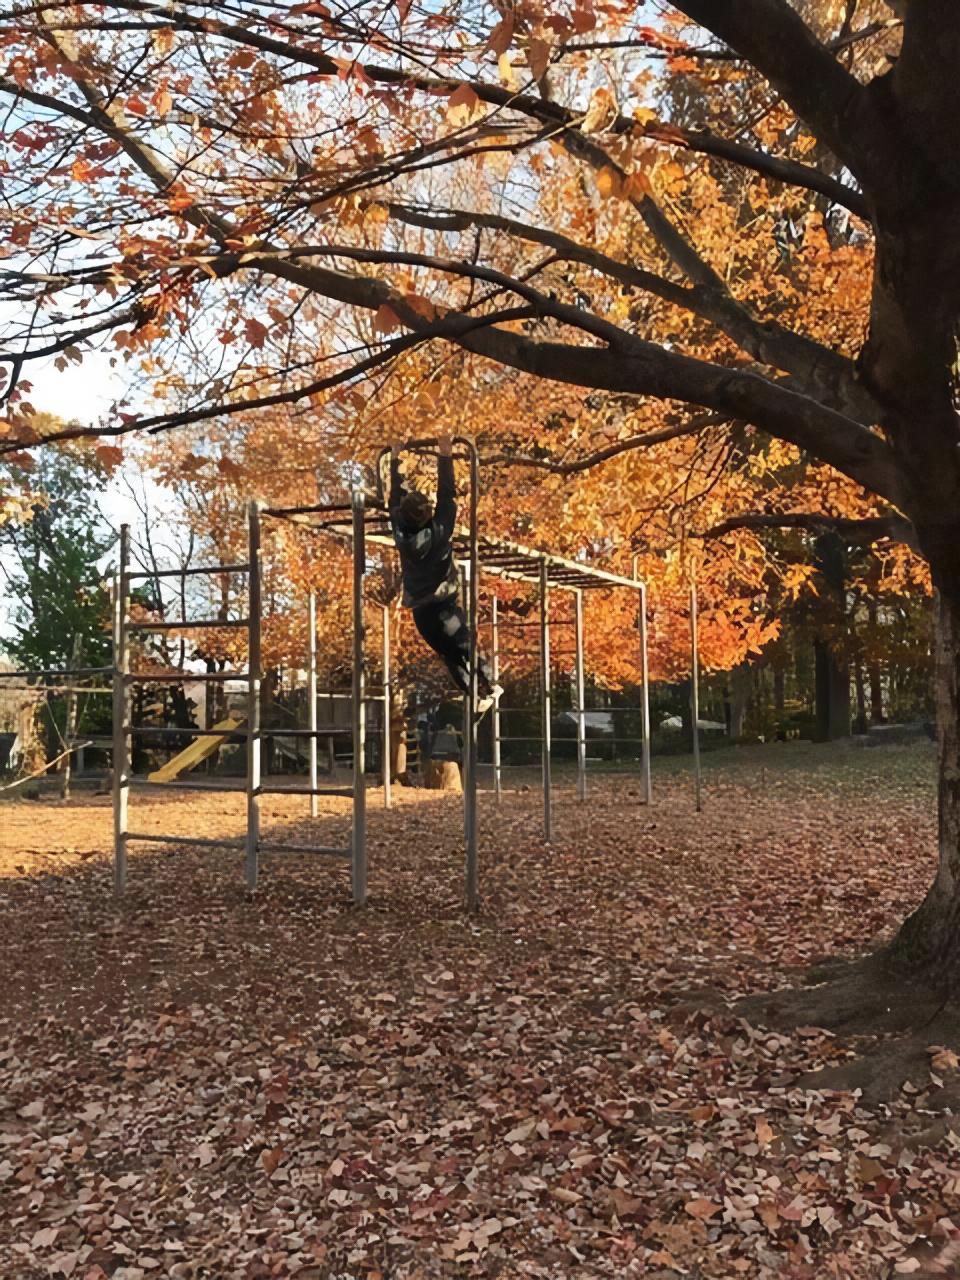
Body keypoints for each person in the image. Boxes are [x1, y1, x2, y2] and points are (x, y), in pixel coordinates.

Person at [389, 436, 500, 715]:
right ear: (426, 515)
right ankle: (491, 683)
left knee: (448, 652)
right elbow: (447, 495)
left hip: (419, 610)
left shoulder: (401, 532)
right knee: (463, 643)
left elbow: (395, 497)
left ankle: (475, 694)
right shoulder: (438, 531)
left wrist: (395, 461)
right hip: (443, 603)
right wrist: (445, 455)